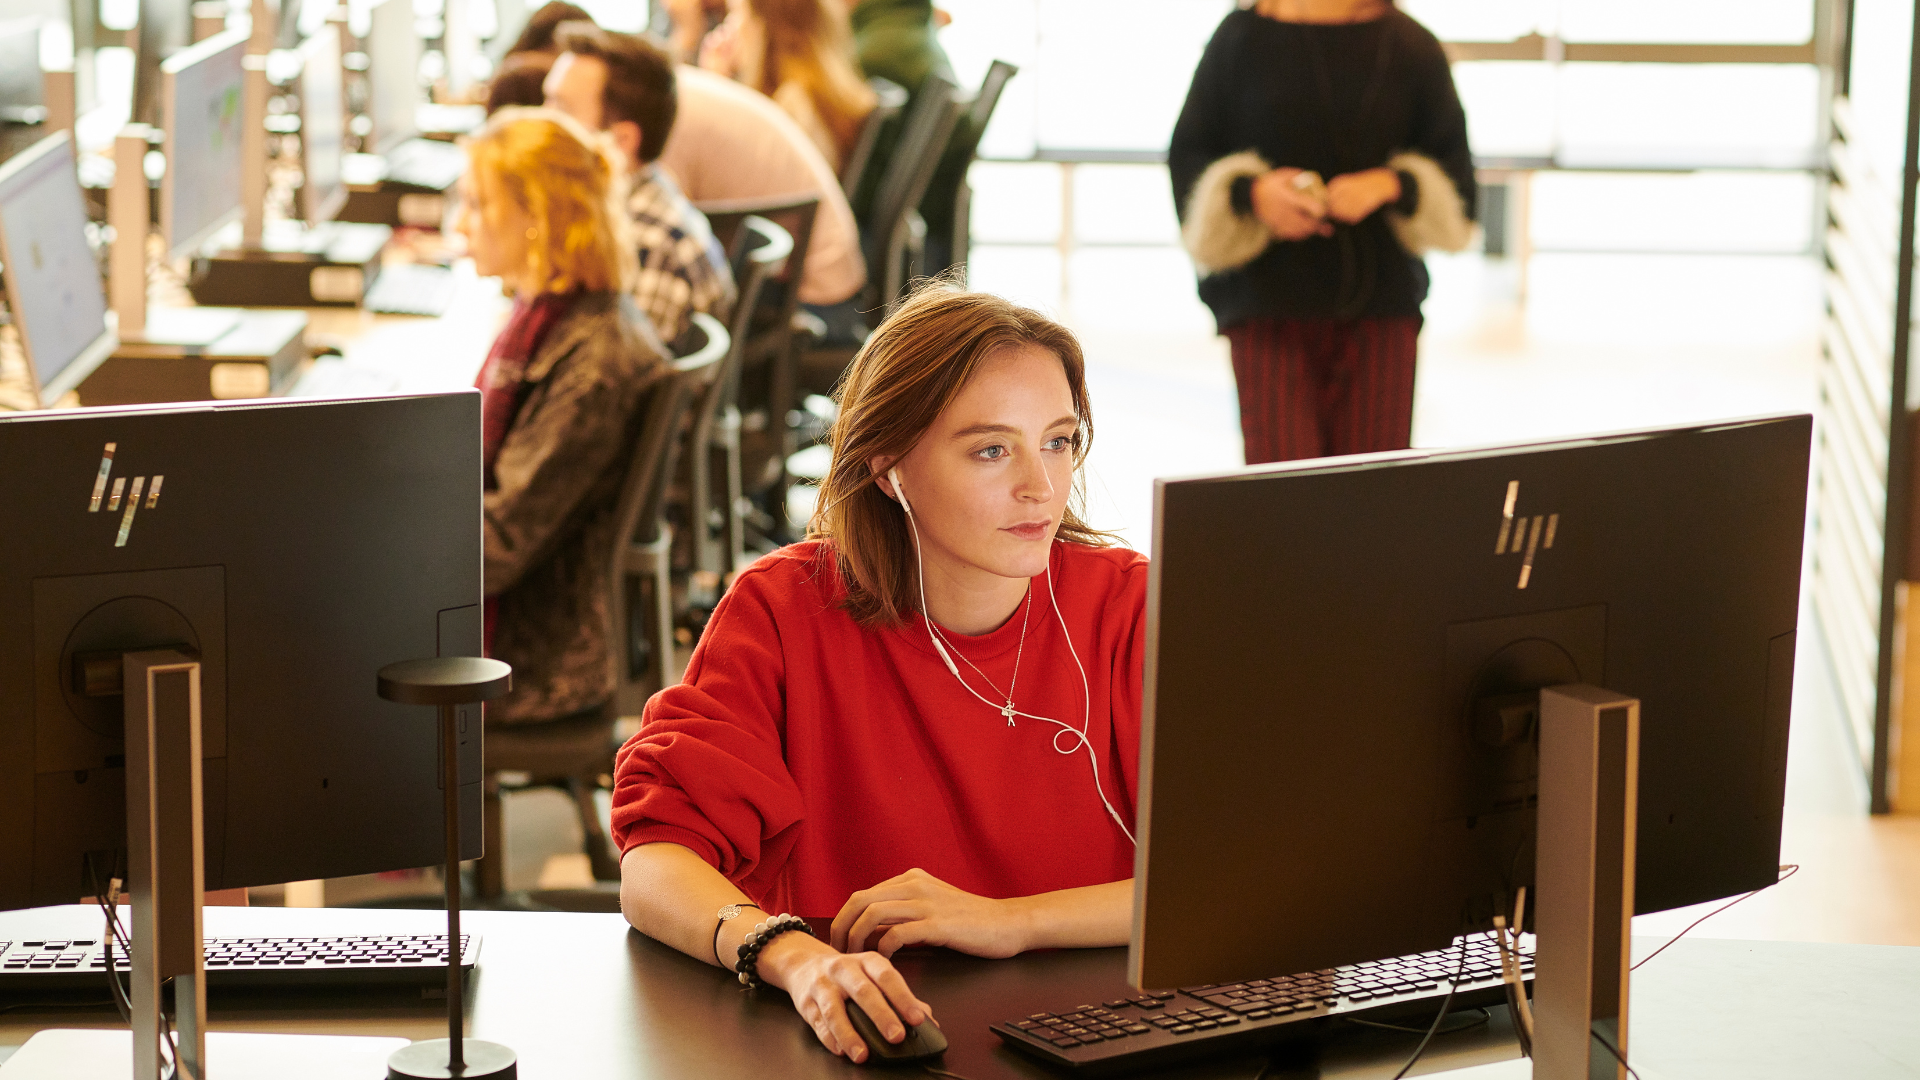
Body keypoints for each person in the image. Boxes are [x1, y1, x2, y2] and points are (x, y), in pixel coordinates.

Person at [609, 285, 1147, 1062]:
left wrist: (1010, 920)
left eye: (1058, 441)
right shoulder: (782, 610)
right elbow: (656, 864)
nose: (1040, 485)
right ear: (889, 466)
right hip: (876, 1045)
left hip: (1103, 1041)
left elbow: (1244, 879)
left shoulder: (1131, 606)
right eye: (992, 449)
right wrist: (797, 960)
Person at [1169, 0, 1474, 465]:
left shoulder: (1412, 44)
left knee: (1370, 495)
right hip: (1267, 308)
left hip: (1381, 310)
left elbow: (1458, 181)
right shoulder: (1240, 38)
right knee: (1284, 496)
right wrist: (1254, 192)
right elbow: (1190, 157)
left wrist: (1391, 183)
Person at [457, 107, 671, 725]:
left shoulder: (592, 363)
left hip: (534, 653)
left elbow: (497, 545)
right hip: (533, 606)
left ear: (536, 219)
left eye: (478, 205)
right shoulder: (550, 317)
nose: (460, 225)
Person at [545, 24, 735, 347]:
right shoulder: (623, 204)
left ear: (622, 141)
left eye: (561, 111)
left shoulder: (649, 245)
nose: (539, 124)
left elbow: (614, 387)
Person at [656, 63, 866, 306]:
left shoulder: (668, 113)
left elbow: (666, 225)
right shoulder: (682, 90)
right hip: (820, 269)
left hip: (809, 290)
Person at [698, 0, 877, 173]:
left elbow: (738, 176)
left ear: (766, 25)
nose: (728, 27)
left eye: (736, 13)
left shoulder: (792, 105)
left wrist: (715, 87)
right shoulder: (814, 92)